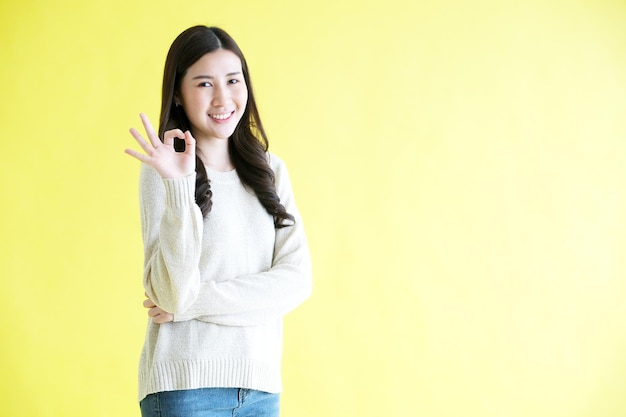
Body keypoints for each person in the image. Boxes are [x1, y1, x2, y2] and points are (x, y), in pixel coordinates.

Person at [124, 25, 312, 417]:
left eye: (233, 80)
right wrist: (179, 185)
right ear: (178, 93)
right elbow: (171, 292)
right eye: (205, 84)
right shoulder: (163, 170)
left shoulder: (270, 171)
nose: (223, 98)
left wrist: (191, 305)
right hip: (185, 388)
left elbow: (296, 281)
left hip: (260, 390)